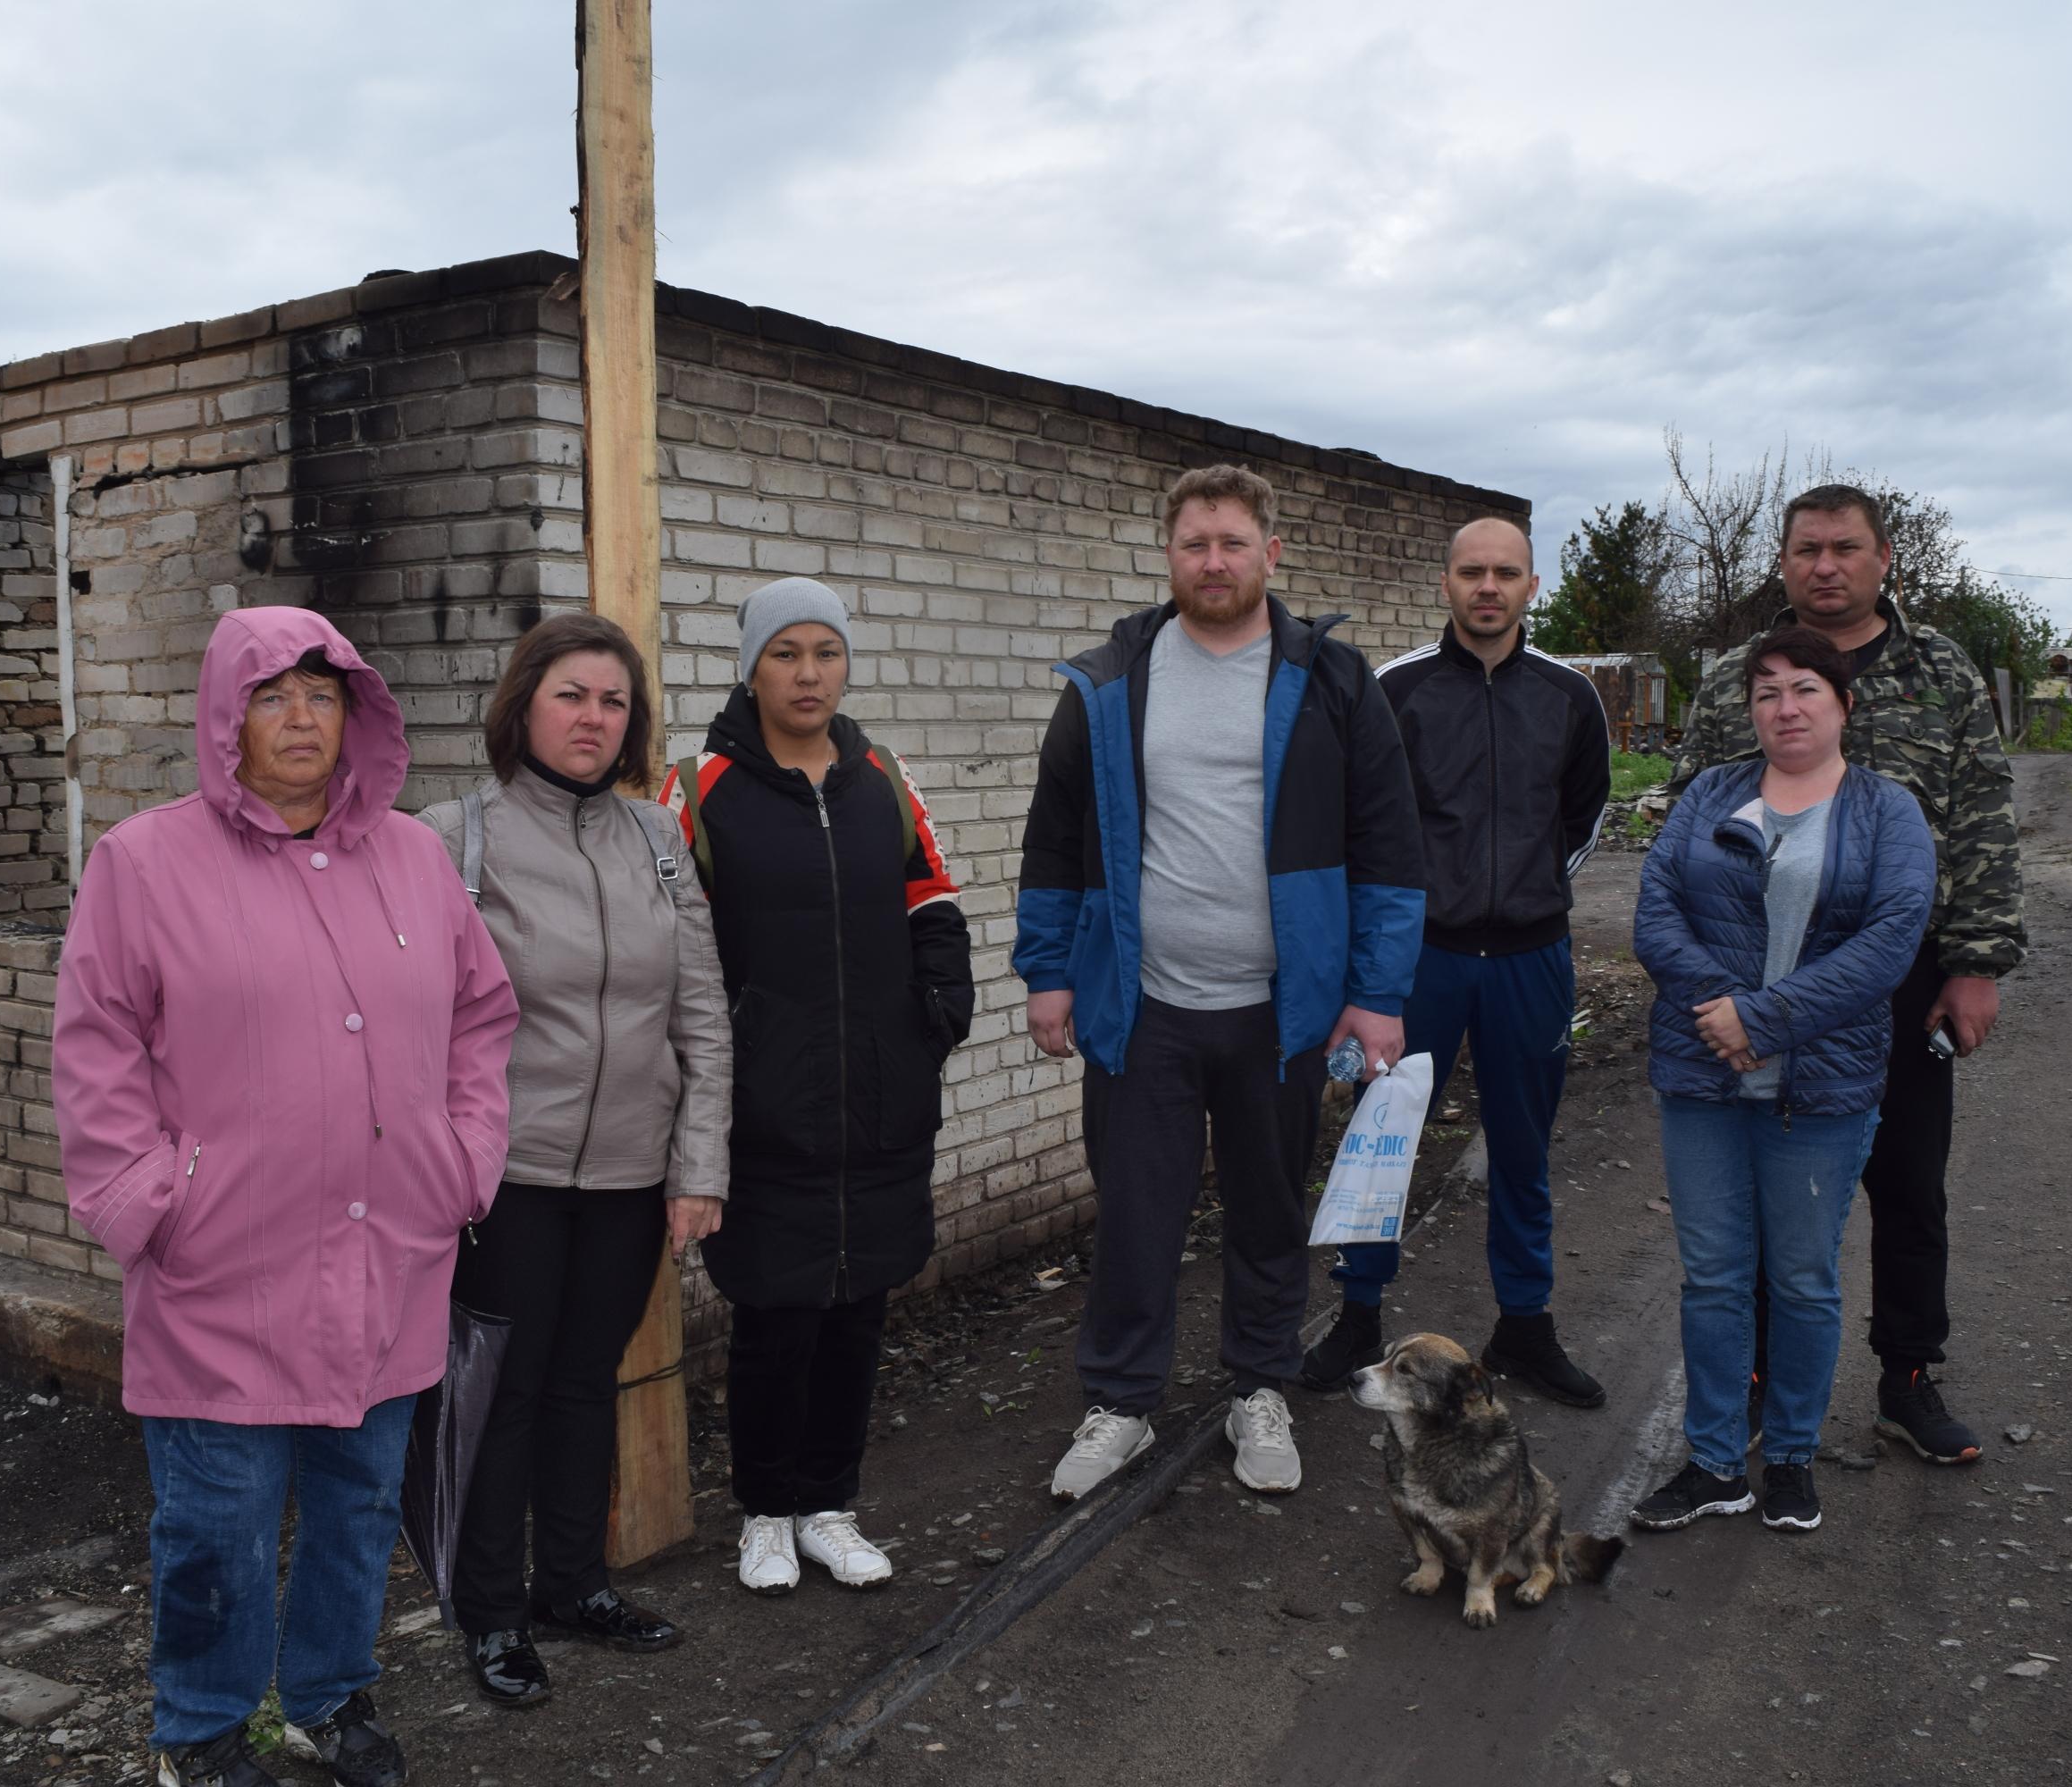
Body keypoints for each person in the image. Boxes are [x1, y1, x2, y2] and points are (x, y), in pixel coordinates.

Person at [54, 608, 518, 1787]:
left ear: (355, 713)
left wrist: (462, 1156)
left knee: (362, 1502)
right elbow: (98, 1041)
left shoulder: (412, 856)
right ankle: (204, 1731)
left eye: (323, 691)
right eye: (272, 694)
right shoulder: (145, 863)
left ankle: (327, 1695)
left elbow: (480, 1011)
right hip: (223, 1265)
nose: (302, 716)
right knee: (217, 1519)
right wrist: (148, 1195)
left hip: (391, 1253)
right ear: (226, 719)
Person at [1014, 463, 1428, 1503]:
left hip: (1278, 1009)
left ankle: (1259, 1384)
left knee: (1266, 1207)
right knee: (1137, 1213)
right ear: (1169, 553)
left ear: (1270, 553)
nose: (1213, 561)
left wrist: (1376, 991)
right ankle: (1121, 1401)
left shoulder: (1332, 678)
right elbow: (1055, 841)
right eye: (1195, 543)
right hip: (1141, 1001)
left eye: (1233, 542)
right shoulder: (1113, 681)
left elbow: (1388, 845)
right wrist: (1049, 973)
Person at [1670, 484, 2024, 1466]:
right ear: (1782, 562)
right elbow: (1690, 814)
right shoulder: (1738, 675)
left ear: (1885, 560)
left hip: (1898, 978)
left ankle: (1907, 1375)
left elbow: (1984, 819)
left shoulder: (1939, 671)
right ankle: (1757, 1378)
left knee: (1908, 1180)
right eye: (1807, 549)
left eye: (1846, 548)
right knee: (1763, 1186)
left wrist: (1977, 962)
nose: (1826, 565)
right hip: (1763, 984)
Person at [416, 613, 730, 1706]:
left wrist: (699, 1166)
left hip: (631, 1177)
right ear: (524, 705)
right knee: (500, 1396)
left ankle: (574, 1584)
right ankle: (493, 1612)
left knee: (585, 1384)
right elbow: (419, 1023)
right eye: (571, 695)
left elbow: (700, 1012)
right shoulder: (453, 836)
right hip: (506, 1178)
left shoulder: (655, 838)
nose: (594, 717)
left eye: (613, 700)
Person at [659, 576, 975, 1596]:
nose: (807, 673)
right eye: (786, 652)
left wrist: (933, 1017)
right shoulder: (700, 787)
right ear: (751, 665)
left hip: (878, 1096)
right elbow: (677, 944)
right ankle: (765, 1510)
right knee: (777, 1317)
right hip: (768, 1105)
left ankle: (832, 1505)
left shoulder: (880, 774)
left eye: (825, 652)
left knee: (858, 1312)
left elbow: (933, 898)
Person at [1299, 516, 1614, 1406]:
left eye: (1505, 573)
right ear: (1445, 582)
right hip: (1417, 962)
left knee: (1523, 1148)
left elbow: (1584, 815)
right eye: (1472, 571)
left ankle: (1525, 1324)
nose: (1488, 587)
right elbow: (1359, 819)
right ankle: (1358, 1312)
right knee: (1380, 1139)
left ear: (1531, 586)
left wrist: (1533, 885)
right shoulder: (1392, 689)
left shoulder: (1569, 696)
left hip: (1530, 959)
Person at [1628, 625, 1934, 1533]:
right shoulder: (1711, 794)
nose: (1785, 707)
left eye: (1805, 688)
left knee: (1802, 1278)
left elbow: (1891, 939)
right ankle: (1718, 1460)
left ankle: (1793, 1454)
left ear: (1843, 704)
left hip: (1823, 1091)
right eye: (1767, 692)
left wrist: (1765, 1019)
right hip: (1702, 1080)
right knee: (1715, 1276)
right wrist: (1720, 1009)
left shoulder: (1888, 811)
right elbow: (1655, 913)